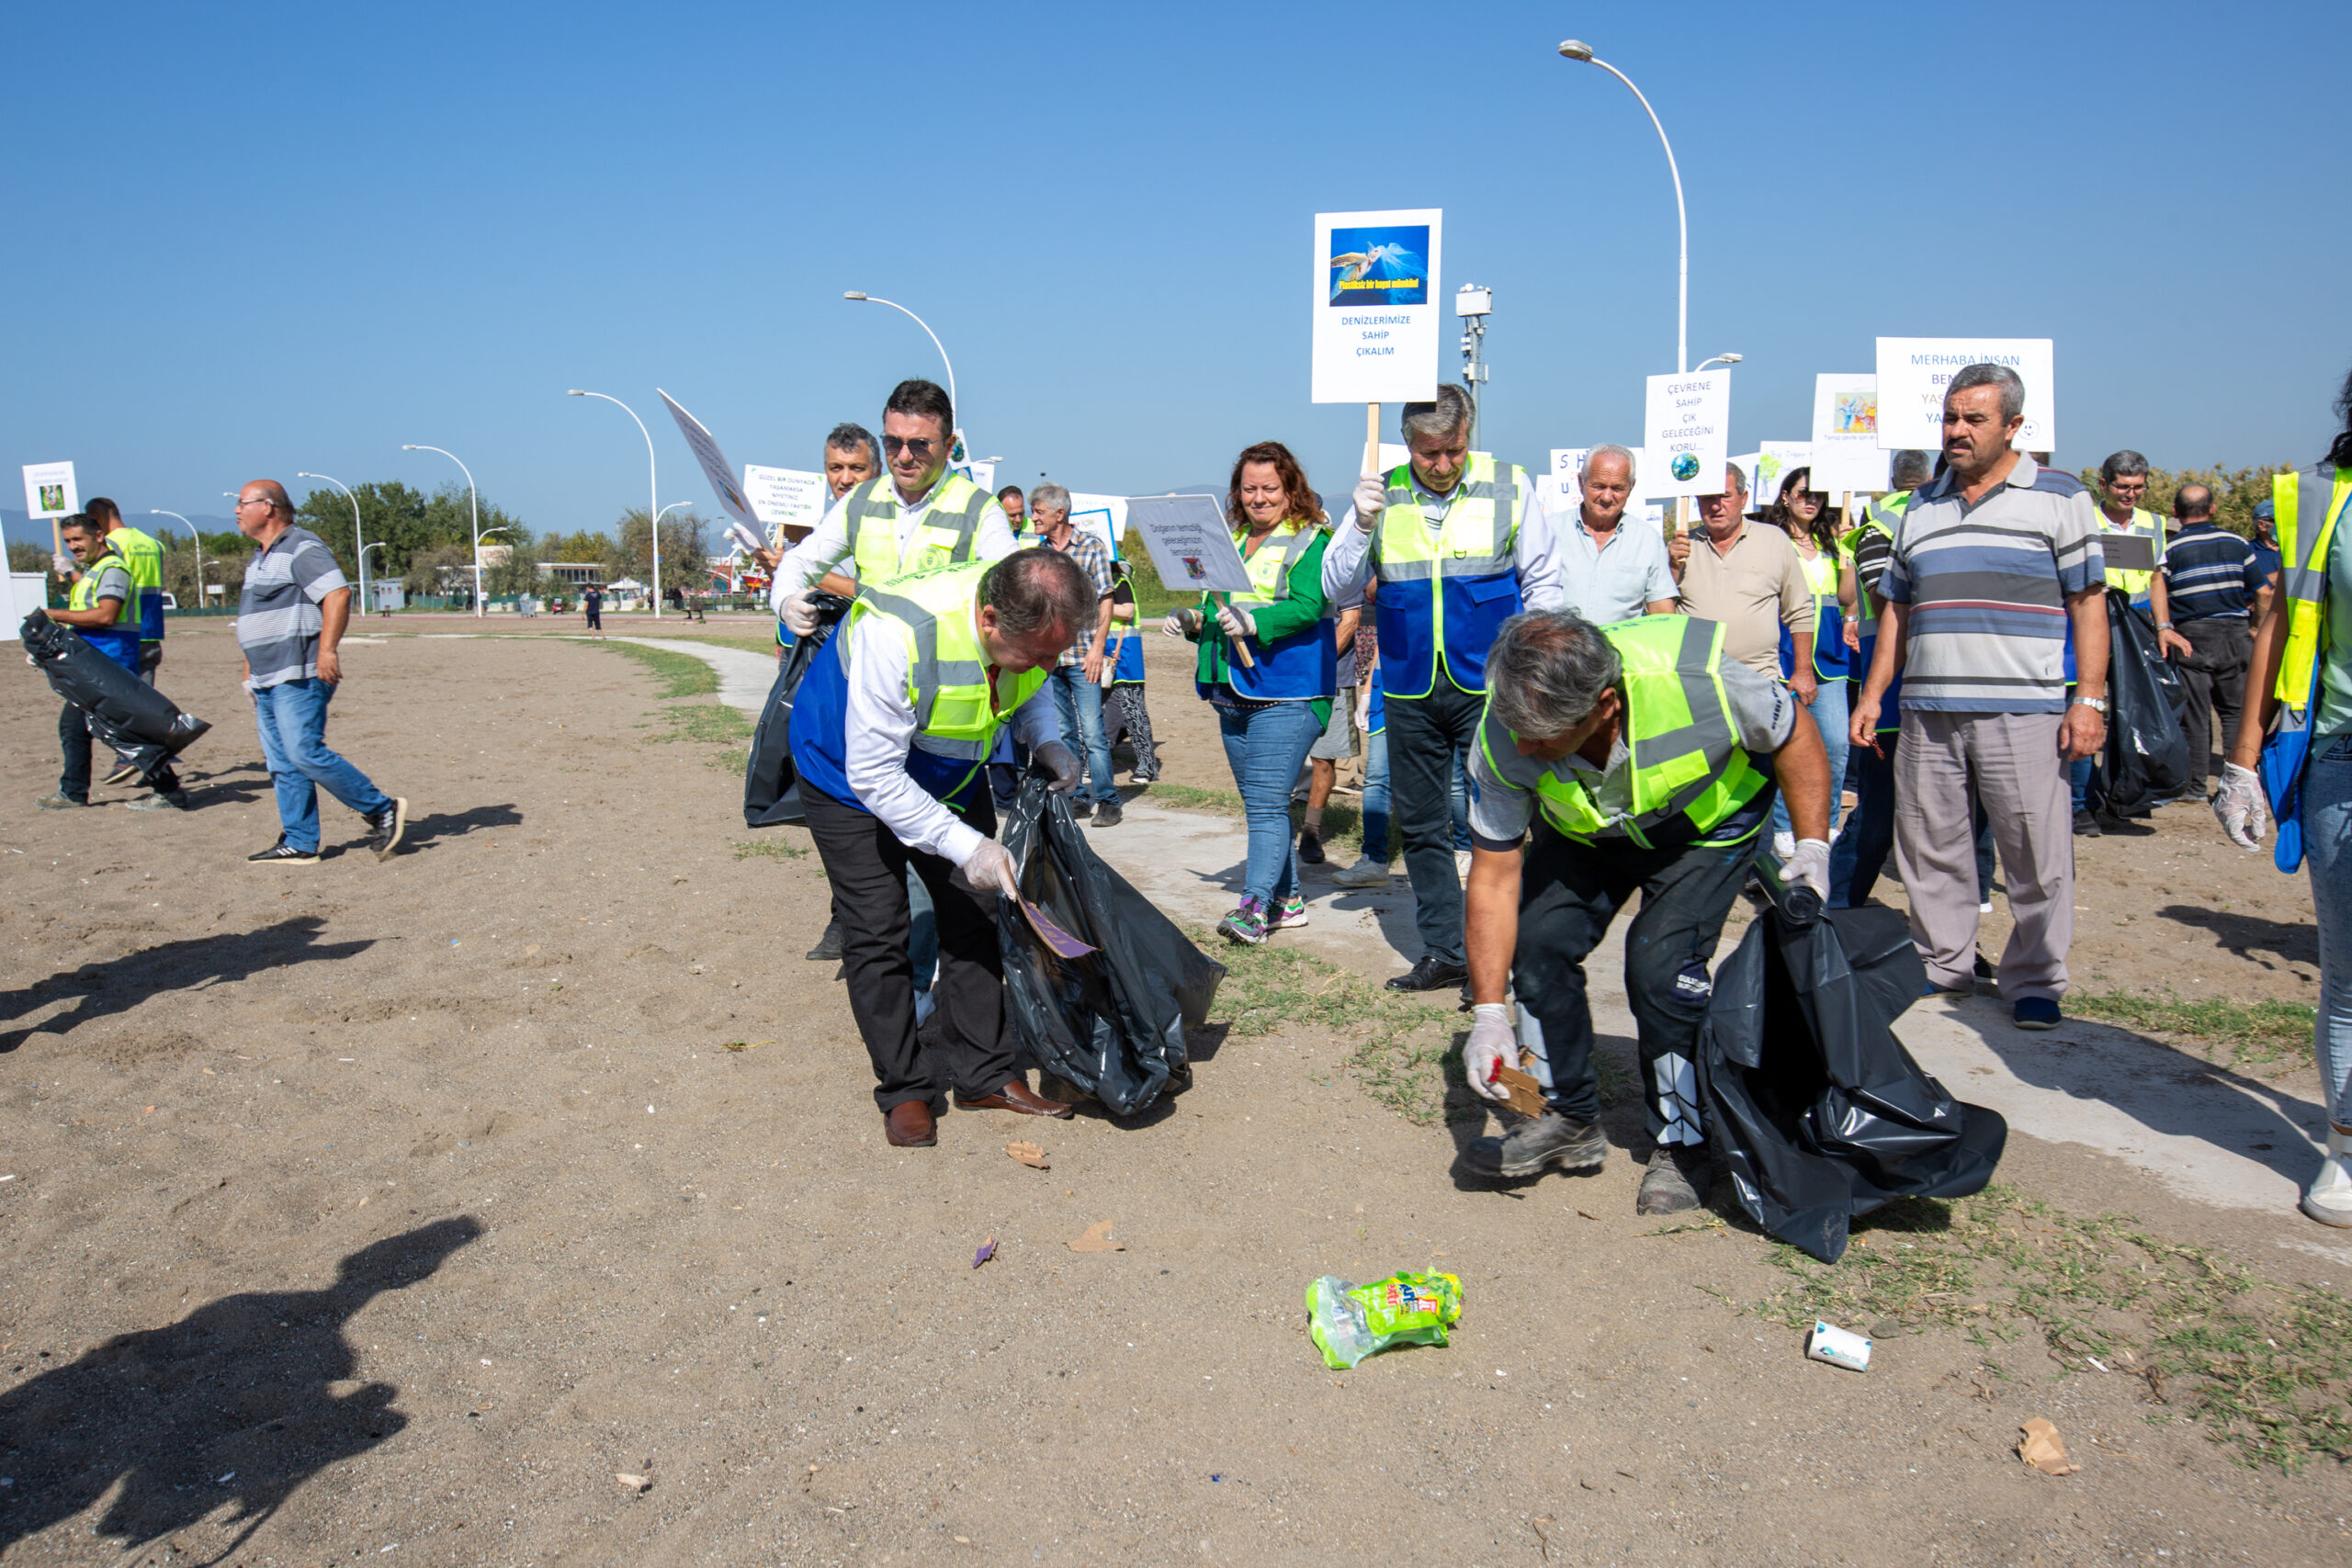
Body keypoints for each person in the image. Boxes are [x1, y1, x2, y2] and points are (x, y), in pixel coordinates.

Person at [1458, 609, 1833, 1213]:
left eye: (1543, 736)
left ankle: (1684, 1142)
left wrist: (1813, 842)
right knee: (1534, 944)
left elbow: (1793, 731)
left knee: (1662, 972)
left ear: (1605, 706)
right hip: (1590, 833)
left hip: (1705, 826)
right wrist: (1487, 1012)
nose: (1524, 747)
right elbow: (1494, 878)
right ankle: (1556, 1113)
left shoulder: (1699, 678)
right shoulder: (1507, 729)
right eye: (1517, 729)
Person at [786, 548, 1096, 1146]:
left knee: (976, 911)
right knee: (878, 928)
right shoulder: (897, 633)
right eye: (1038, 653)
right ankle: (904, 1088)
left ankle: (984, 1074)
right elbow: (875, 777)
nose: (1049, 666)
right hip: (846, 776)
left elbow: (1027, 680)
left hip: (945, 772)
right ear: (988, 619)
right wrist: (967, 846)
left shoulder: (1024, 623)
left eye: (1056, 653)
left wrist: (1045, 738)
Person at [1849, 366, 2108, 1029]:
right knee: (1930, 844)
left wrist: (2090, 700)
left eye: (1974, 419)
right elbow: (1896, 611)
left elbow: (2088, 603)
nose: (1957, 431)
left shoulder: (2060, 495)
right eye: (1950, 417)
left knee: (2034, 851)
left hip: (2023, 708)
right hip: (1928, 709)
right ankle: (1942, 962)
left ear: (2013, 425)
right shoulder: (1921, 506)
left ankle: (2036, 979)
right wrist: (1874, 695)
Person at [1323, 384, 1562, 991]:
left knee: (1505, 818)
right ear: (1407, 444)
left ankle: (1514, 949)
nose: (1442, 464)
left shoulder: (1509, 484)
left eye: (1453, 450)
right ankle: (1446, 949)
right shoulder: (1382, 494)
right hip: (1409, 686)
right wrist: (1360, 524)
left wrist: (1537, 672)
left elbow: (1543, 582)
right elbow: (1337, 588)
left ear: (1468, 435)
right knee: (1423, 824)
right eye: (1428, 453)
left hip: (1490, 685)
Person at [2213, 369, 2352, 1225]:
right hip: (2343, 758)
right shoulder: (2325, 500)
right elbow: (2277, 626)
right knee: (2351, 975)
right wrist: (2242, 761)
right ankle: (2347, 1149)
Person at [1166, 442, 1337, 943]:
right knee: (1264, 806)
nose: (1258, 498)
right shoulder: (1231, 540)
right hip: (1230, 692)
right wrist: (1192, 620)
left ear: (1290, 489)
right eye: (1248, 489)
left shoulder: (1311, 540)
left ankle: (1255, 908)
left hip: (1288, 693)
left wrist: (1255, 621)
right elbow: (1216, 610)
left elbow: (1309, 605)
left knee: (1264, 806)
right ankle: (1289, 901)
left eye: (1269, 488)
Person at [232, 480, 407, 865]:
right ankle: (300, 840)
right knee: (282, 763)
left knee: (303, 752)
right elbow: (253, 619)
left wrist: (326, 651)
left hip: (299, 671)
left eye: (242, 503)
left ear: (268, 507)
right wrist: (249, 672)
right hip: (266, 677)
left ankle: (381, 809)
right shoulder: (259, 557)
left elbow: (337, 594)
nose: (236, 511)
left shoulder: (302, 546)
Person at [772, 383, 1015, 633]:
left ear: (949, 446)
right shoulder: (859, 501)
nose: (905, 456)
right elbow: (799, 561)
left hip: (942, 659)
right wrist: (786, 602)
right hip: (867, 657)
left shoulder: (979, 510)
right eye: (893, 442)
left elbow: (1018, 590)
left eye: (919, 444)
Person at [1828, 450, 1933, 908]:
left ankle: (1839, 905)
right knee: (1879, 812)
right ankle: (1835, 906)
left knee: (1888, 811)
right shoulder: (1884, 524)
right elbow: (1884, 606)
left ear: (1894, 478)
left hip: (1901, 692)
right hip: (1891, 694)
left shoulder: (1882, 522)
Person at [37, 514, 187, 810]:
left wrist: (53, 615)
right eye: (68, 541)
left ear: (98, 536)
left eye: (78, 539)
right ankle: (73, 792)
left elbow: (106, 615)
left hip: (108, 665)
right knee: (77, 727)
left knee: (126, 733)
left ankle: (169, 791)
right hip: (93, 665)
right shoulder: (96, 570)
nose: (73, 546)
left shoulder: (113, 570)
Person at [1762, 467, 1854, 854]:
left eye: (1817, 494)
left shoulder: (1832, 541)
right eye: (1803, 493)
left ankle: (1825, 825)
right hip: (1784, 657)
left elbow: (1847, 597)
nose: (1811, 500)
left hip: (1829, 659)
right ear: (1785, 497)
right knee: (1788, 745)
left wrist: (1849, 554)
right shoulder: (1770, 540)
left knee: (1835, 744)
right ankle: (1785, 827)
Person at [2160, 482, 2267, 799]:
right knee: (2235, 714)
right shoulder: (2237, 543)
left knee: (2195, 716)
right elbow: (2263, 593)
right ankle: (2237, 783)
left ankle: (2194, 787)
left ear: (2175, 512)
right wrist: (2255, 630)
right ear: (2213, 509)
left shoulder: (2170, 549)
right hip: (2235, 634)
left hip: (2191, 636)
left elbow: (2159, 592)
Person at [1668, 463, 1815, 691]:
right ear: (1697, 501)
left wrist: (1804, 671)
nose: (1716, 506)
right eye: (1708, 498)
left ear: (1743, 499)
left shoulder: (1773, 540)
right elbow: (1660, 613)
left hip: (1758, 678)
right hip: (1695, 680)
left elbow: (1799, 611)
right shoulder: (1681, 548)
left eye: (1725, 496)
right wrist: (1672, 567)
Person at [1030, 483, 1122, 826]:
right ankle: (1078, 796)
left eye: (1038, 511)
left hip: (1084, 656)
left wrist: (1098, 648)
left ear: (1060, 513)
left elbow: (1106, 600)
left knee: (1094, 733)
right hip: (1050, 659)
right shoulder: (1039, 554)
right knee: (1063, 732)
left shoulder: (1091, 547)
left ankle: (1108, 800)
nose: (1033, 517)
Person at [1554, 445, 1678, 625]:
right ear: (1581, 483)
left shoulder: (1647, 540)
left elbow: (1662, 612)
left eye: (1617, 489)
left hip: (1622, 644)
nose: (1606, 497)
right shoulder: (1549, 531)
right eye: (1598, 486)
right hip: (1559, 643)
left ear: (1631, 487)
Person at [1296, 580, 1363, 867]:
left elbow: (1350, 621)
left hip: (1332, 677)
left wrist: (1316, 665)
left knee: (1324, 760)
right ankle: (1271, 823)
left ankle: (1310, 831)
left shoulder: (1343, 569)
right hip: (1286, 675)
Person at [85, 498, 166, 682]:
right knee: (144, 696)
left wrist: (69, 573)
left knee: (117, 693)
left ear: (97, 517)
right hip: (150, 632)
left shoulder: (108, 545)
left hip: (122, 634)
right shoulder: (154, 544)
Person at [1104, 564, 1159, 783]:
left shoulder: (1120, 582)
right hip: (1101, 655)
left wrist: (1097, 605)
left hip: (1125, 657)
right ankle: (1095, 760)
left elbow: (1127, 611)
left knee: (1134, 712)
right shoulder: (1092, 583)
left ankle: (1148, 767)